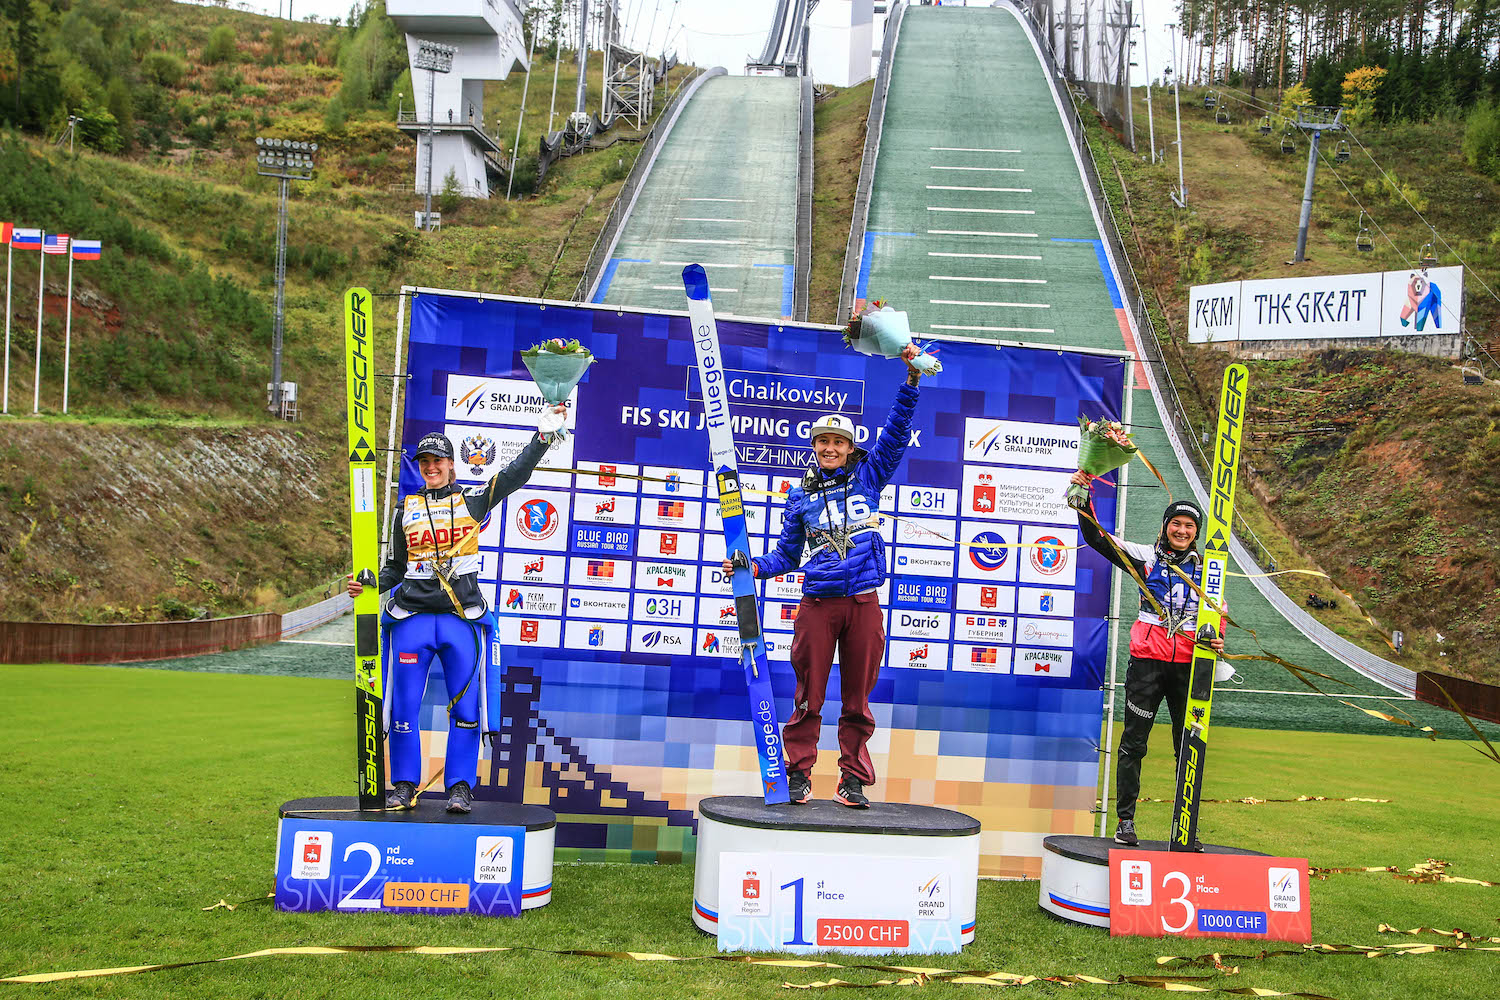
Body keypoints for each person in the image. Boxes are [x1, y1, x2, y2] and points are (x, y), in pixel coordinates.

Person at [723, 345, 923, 809]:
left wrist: (911, 381)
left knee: (858, 701)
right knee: (808, 696)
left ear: (851, 449)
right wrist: (754, 567)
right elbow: (787, 555)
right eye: (822, 442)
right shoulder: (799, 497)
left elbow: (895, 433)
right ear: (813, 447)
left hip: (864, 604)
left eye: (838, 442)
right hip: (817, 605)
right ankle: (798, 775)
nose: (830, 448)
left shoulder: (870, 478)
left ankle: (852, 779)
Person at [349, 398, 569, 814]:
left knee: (467, 712)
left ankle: (460, 788)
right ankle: (403, 786)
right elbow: (395, 568)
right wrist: (368, 585)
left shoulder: (472, 503)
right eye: (424, 461)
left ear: (451, 464)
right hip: (411, 619)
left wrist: (542, 436)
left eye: (437, 460)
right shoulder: (404, 512)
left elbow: (513, 476)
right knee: (403, 710)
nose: (430, 466)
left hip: (459, 620)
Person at [1069, 470, 1224, 847]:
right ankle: (1126, 822)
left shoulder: (1210, 570)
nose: (1182, 531)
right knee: (1134, 744)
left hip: (1191, 667)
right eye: (1176, 524)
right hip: (1147, 664)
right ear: (1165, 527)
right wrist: (1083, 492)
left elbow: (1217, 618)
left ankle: (1186, 828)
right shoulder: (1144, 558)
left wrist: (1219, 641)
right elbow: (1097, 539)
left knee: (1188, 747)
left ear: (1196, 531)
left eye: (1189, 526)